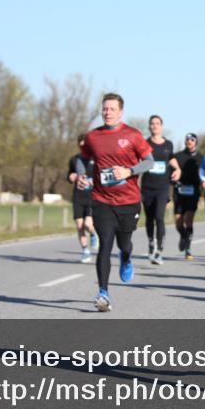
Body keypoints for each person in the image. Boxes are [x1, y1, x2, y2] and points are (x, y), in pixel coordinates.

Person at [76, 93, 154, 312]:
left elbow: (149, 161)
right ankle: (103, 293)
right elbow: (82, 159)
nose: (107, 112)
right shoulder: (93, 137)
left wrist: (129, 170)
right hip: (102, 200)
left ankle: (127, 259)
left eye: (111, 109)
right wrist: (82, 175)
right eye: (104, 109)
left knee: (124, 244)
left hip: (129, 201)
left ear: (121, 112)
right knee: (105, 244)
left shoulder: (133, 135)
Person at [141, 115, 181, 265]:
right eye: (152, 123)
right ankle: (151, 242)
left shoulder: (168, 144)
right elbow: (138, 161)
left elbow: (171, 159)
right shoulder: (144, 144)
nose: (155, 126)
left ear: (161, 126)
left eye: (157, 123)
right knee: (150, 219)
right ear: (149, 127)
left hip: (163, 187)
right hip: (147, 187)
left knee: (159, 217)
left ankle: (159, 251)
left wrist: (177, 169)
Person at [67, 134, 98, 263]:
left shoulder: (96, 159)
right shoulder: (74, 160)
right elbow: (69, 175)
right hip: (78, 196)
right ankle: (85, 250)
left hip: (92, 196)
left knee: (87, 224)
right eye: (80, 145)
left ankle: (93, 234)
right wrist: (71, 177)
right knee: (79, 225)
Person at [172, 133, 202, 260]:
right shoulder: (178, 156)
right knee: (178, 222)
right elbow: (171, 171)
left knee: (188, 219)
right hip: (179, 192)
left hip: (193, 192)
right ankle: (183, 235)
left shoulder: (201, 158)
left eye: (192, 139)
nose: (189, 141)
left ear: (196, 142)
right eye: (187, 139)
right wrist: (173, 178)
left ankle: (188, 249)